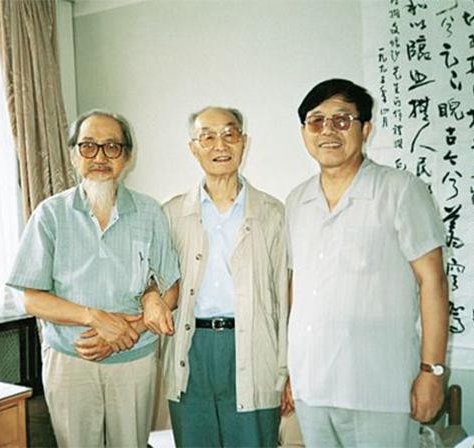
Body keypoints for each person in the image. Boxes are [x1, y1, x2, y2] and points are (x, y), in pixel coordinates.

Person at [285, 79, 449, 447]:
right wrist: (292, 372)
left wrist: (432, 371)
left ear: (366, 129)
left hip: (379, 386)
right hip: (312, 386)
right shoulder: (296, 201)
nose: (328, 130)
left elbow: (433, 281)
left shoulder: (400, 190)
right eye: (316, 121)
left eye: (342, 120)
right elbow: (299, 288)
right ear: (304, 132)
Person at [7, 110, 180, 447]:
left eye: (111, 147)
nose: (100, 157)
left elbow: (170, 288)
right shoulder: (50, 214)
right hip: (71, 359)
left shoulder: (150, 212)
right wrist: (95, 318)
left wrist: (127, 331)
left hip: (134, 358)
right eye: (88, 146)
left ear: (127, 157)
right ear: (74, 155)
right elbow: (31, 299)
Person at [162, 106, 291, 447]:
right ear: (193, 148)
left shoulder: (273, 213)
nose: (220, 145)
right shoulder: (172, 214)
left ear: (243, 142)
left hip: (254, 347)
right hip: (192, 349)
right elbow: (158, 284)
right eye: (207, 137)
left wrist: (287, 370)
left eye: (229, 134)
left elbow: (285, 297)